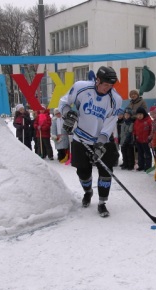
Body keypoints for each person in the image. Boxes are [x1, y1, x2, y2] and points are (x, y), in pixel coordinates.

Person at [58, 66, 122, 217]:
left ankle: (102, 202)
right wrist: (68, 114)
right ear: (97, 80)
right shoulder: (81, 87)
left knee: (106, 171)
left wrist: (101, 143)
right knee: (82, 172)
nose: (108, 88)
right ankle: (88, 191)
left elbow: (110, 122)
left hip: (102, 139)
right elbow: (64, 102)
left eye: (111, 86)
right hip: (80, 138)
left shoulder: (115, 99)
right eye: (106, 84)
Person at [133, 107, 153, 171]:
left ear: (144, 114)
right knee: (140, 154)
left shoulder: (149, 121)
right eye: (138, 114)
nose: (139, 116)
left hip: (146, 140)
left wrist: (150, 137)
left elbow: (151, 130)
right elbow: (135, 130)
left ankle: (148, 166)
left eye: (140, 114)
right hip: (139, 140)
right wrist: (135, 136)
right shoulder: (136, 121)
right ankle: (141, 165)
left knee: (147, 154)